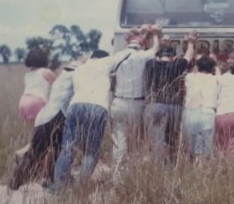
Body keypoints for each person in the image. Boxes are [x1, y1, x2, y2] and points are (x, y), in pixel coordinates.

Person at [49, 49, 132, 192]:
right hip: (97, 107)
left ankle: (59, 187)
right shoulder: (105, 62)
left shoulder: (79, 69)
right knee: (91, 151)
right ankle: (82, 186)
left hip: (75, 106)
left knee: (68, 148)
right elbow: (125, 53)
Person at [9, 60, 82, 190]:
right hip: (53, 118)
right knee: (51, 151)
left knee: (47, 150)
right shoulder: (74, 80)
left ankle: (44, 178)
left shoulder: (61, 80)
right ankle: (51, 178)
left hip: (43, 116)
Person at [110, 25, 160, 179]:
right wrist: (156, 35)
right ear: (142, 46)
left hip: (118, 102)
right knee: (136, 140)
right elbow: (156, 48)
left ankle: (118, 176)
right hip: (137, 104)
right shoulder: (143, 56)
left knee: (120, 140)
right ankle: (134, 174)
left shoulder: (117, 57)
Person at [144, 30, 197, 163]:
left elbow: (151, 54)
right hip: (174, 106)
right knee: (172, 137)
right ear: (174, 57)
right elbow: (189, 56)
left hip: (156, 104)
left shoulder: (151, 64)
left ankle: (159, 163)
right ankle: (172, 162)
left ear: (158, 56)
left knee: (157, 137)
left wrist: (161, 44)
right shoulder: (177, 65)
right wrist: (190, 42)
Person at [182, 55, 219, 160]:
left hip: (191, 112)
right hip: (208, 112)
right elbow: (218, 74)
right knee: (205, 151)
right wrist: (215, 64)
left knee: (191, 150)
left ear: (197, 67)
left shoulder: (189, 77)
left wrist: (197, 63)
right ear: (212, 68)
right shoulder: (215, 79)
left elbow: (194, 71)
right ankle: (201, 170)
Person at [18, 47, 56, 124]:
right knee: (41, 128)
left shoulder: (28, 74)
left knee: (30, 131)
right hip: (37, 101)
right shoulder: (46, 72)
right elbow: (60, 84)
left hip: (23, 101)